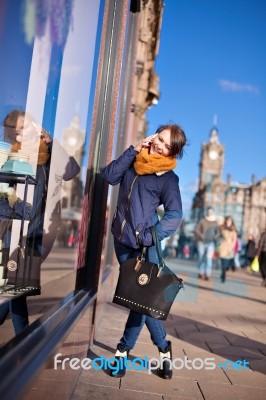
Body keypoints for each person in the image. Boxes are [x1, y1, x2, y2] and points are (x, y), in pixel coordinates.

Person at [102, 124, 187, 379]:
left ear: (173, 151)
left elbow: (175, 215)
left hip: (145, 248)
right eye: (159, 138)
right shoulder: (134, 161)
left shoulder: (168, 179)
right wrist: (132, 150)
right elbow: (109, 176)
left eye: (166, 144)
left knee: (139, 302)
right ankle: (164, 351)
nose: (159, 145)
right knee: (141, 300)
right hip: (121, 241)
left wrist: (151, 235)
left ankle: (121, 355)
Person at [0, 109, 80, 335]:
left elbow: (72, 170)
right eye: (22, 128)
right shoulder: (12, 159)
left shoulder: (46, 159)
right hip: (12, 233)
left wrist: (51, 141)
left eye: (30, 124)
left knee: (15, 286)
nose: (29, 130)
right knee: (16, 288)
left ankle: (22, 339)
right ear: (16, 136)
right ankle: (24, 339)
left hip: (37, 233)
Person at [194, 207, 219, 280]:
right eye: (208, 211)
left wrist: (215, 236)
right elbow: (196, 229)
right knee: (201, 258)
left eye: (211, 211)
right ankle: (200, 272)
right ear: (207, 212)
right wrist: (201, 235)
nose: (209, 212)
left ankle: (207, 274)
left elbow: (218, 232)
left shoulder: (215, 222)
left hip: (210, 243)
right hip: (202, 242)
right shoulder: (202, 221)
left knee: (208, 259)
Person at [218, 216, 237, 283]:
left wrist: (232, 246)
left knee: (228, 264)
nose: (228, 222)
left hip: (230, 249)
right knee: (223, 264)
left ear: (231, 222)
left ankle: (226, 270)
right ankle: (223, 276)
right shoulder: (222, 228)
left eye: (229, 221)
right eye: (227, 221)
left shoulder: (233, 230)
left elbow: (234, 240)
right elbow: (218, 237)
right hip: (223, 248)